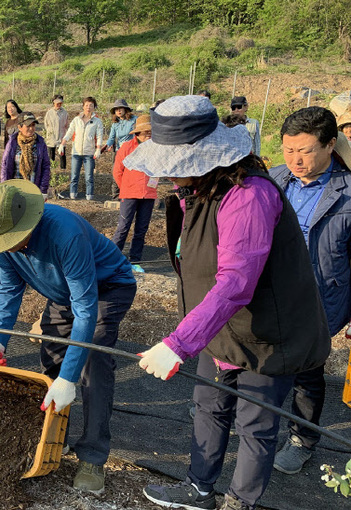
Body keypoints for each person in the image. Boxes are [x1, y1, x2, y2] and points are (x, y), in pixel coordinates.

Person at [124, 95, 330, 510]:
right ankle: (199, 488)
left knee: (255, 424)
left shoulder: (249, 195)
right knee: (208, 406)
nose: (171, 176)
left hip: (268, 334)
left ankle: (241, 502)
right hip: (219, 328)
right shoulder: (201, 189)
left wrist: (177, 343)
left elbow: (236, 281)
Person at [0, 179, 137, 495]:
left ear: (25, 225)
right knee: (53, 358)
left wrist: (69, 378)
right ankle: (54, 437)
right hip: (62, 294)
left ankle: (92, 457)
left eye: (8, 240)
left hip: (107, 287)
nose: (3, 247)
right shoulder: (2, 239)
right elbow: (10, 288)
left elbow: (86, 309)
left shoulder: (63, 233)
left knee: (93, 361)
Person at [268, 106, 351, 475]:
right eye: (288, 150)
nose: (295, 160)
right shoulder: (273, 180)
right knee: (260, 360)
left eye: (305, 150)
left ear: (331, 145)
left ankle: (302, 438)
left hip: (319, 297)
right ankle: (254, 421)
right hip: (270, 292)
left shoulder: (348, 195)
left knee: (308, 372)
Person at [111, 115, 154, 272]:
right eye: (146, 132)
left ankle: (135, 260)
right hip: (129, 193)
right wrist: (126, 188)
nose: (149, 134)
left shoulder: (156, 148)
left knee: (141, 229)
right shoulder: (127, 147)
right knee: (123, 227)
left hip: (149, 194)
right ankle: (112, 259)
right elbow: (117, 171)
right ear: (139, 132)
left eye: (150, 131)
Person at [58, 96, 104, 200]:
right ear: (83, 106)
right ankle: (73, 194)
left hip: (89, 152)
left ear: (94, 107)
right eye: (86, 105)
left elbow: (100, 135)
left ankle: (89, 196)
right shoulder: (76, 120)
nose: (88, 107)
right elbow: (69, 132)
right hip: (76, 152)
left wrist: (98, 148)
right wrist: (63, 143)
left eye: (91, 105)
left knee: (89, 177)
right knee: (74, 176)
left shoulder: (97, 121)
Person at [0, 112, 51, 196]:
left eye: (33, 125)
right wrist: (4, 188)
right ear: (19, 127)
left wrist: (43, 190)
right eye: (28, 126)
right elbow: (5, 166)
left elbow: (45, 167)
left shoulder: (40, 143)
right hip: (15, 190)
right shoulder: (12, 143)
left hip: (33, 190)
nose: (31, 128)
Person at [44, 94, 69, 171]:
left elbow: (66, 125)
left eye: (60, 103)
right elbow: (46, 124)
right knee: (51, 156)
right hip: (51, 138)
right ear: (53, 103)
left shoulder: (64, 113)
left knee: (62, 155)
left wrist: (65, 136)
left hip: (61, 137)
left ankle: (63, 170)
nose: (59, 104)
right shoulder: (49, 113)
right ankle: (51, 171)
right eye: (57, 103)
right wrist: (50, 133)